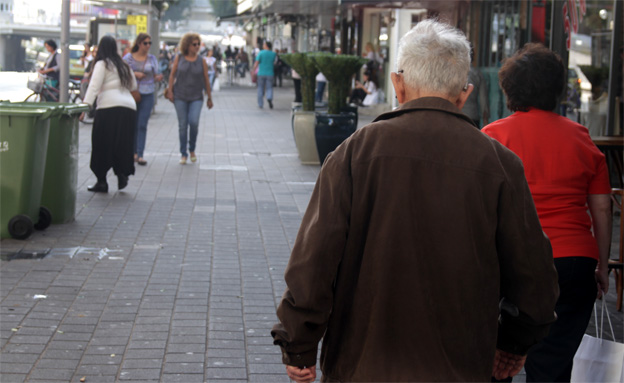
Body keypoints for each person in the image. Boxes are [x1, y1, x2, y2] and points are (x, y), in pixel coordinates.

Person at [271, 19, 559, 383]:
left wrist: (299, 343)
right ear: (464, 94)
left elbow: (314, 259)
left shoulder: (353, 154)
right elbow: (534, 276)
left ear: (398, 84)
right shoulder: (500, 164)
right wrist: (515, 343)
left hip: (363, 366)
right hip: (462, 366)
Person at [482, 43, 612, 382]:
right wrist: (601, 263)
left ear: (510, 90)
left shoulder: (493, 138)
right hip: (574, 263)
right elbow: (602, 206)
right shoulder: (582, 138)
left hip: (512, 262)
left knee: (495, 361)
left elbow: (478, 207)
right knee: (552, 365)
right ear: (558, 90)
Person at [81, 35, 138, 193]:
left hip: (108, 107)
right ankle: (122, 175)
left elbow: (93, 86)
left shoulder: (102, 64)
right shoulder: (124, 65)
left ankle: (101, 181)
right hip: (128, 108)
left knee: (102, 144)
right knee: (123, 144)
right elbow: (133, 85)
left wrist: (85, 107)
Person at [165, 33, 213, 165]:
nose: (197, 47)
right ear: (187, 45)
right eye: (194, 44)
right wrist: (170, 91)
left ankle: (192, 149)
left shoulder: (201, 61)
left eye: (198, 44)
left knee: (194, 122)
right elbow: (172, 75)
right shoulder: (179, 58)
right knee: (182, 125)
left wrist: (209, 97)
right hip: (180, 95)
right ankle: (183, 153)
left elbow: (206, 79)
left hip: (196, 96)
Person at [123, 33, 164, 166]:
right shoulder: (128, 58)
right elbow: (122, 72)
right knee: (132, 124)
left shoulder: (152, 59)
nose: (148, 46)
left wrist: (158, 78)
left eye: (149, 43)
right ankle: (132, 152)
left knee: (142, 123)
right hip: (132, 93)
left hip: (148, 93)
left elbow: (156, 74)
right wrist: (135, 74)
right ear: (139, 43)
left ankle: (140, 154)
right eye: (145, 43)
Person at [462, 59, 489, 128]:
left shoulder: (455, 73)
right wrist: (485, 120)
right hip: (472, 116)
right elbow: (483, 99)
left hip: (456, 116)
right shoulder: (477, 74)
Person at [253, 40, 276, 109]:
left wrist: (253, 71)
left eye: (264, 44)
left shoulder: (261, 53)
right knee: (269, 87)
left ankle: (260, 104)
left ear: (266, 46)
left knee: (260, 88)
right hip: (270, 73)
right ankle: (269, 97)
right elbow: (274, 62)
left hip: (261, 73)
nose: (263, 45)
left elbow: (256, 63)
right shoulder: (273, 54)